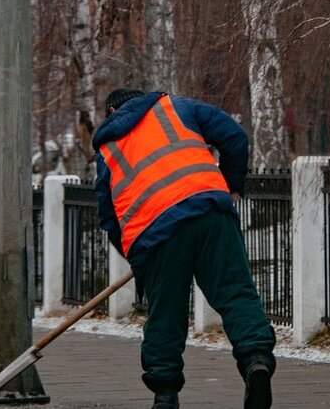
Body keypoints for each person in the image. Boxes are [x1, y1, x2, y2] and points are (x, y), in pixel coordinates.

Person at [93, 88, 276, 409]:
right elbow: (235, 137)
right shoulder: (175, 107)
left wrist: (137, 259)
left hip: (155, 233)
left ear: (111, 113)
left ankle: (165, 394)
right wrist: (230, 188)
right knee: (235, 293)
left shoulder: (108, 148)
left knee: (166, 313)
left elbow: (109, 217)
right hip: (209, 209)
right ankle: (255, 360)